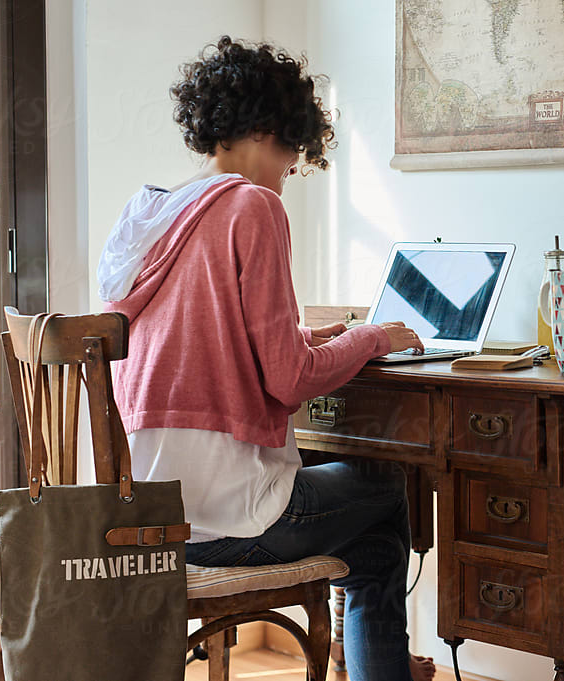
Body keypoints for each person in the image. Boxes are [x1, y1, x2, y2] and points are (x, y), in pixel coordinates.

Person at [97, 36, 434, 681]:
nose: (288, 170)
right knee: (388, 495)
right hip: (227, 519)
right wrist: (373, 338)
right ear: (263, 130)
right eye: (290, 152)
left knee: (371, 542)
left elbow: (218, 350)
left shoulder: (158, 215)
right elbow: (287, 380)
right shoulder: (252, 206)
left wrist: (320, 336)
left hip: (146, 515)